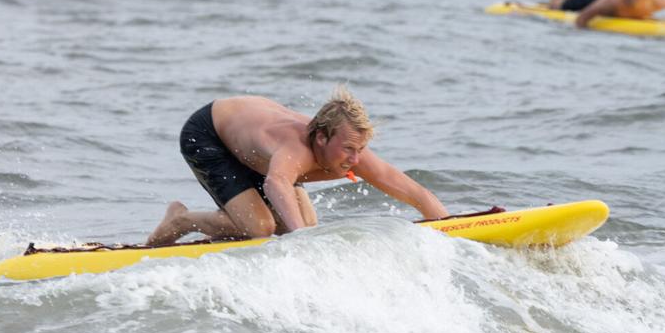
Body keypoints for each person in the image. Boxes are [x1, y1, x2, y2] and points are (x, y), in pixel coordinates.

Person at [147, 86, 448, 246]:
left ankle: (232, 224)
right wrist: (304, 243)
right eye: (348, 149)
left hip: (256, 148)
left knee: (302, 223)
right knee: (263, 228)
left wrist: (449, 230)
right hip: (210, 134)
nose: (355, 160)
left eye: (360, 149)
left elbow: (411, 190)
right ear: (320, 137)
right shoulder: (295, 150)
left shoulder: (348, 147)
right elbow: (276, 184)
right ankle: (182, 219)